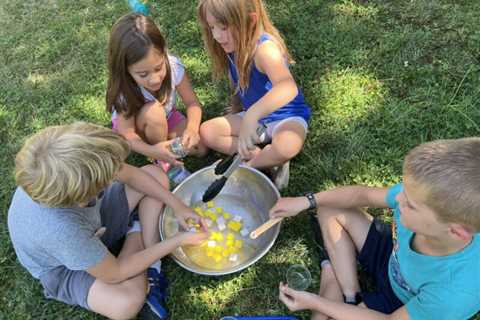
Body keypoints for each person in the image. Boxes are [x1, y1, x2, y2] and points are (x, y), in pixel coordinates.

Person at [8, 122, 208, 320]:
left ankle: (143, 252)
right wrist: (178, 240)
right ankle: (136, 233)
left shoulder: (79, 161)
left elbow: (131, 175)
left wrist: (178, 206)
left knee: (155, 176)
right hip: (63, 267)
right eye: (106, 181)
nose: (114, 177)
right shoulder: (61, 229)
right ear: (83, 195)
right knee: (125, 304)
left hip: (91, 225)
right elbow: (115, 273)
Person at [270, 138, 480, 319]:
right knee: (329, 207)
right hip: (392, 255)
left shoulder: (456, 291)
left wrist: (316, 303)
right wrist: (306, 201)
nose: (398, 199)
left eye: (410, 204)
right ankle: (351, 296)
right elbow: (362, 196)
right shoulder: (422, 197)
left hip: (403, 303)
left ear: (456, 231)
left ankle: (333, 278)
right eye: (404, 192)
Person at [197, 0, 311, 189]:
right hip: (256, 120)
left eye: (223, 27)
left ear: (250, 21)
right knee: (208, 132)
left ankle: (249, 167)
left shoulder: (265, 49)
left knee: (287, 145)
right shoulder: (232, 45)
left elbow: (288, 88)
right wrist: (242, 112)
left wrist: (251, 115)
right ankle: (264, 158)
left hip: (287, 117)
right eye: (212, 27)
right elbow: (242, 84)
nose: (216, 35)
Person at [106, 13, 207, 174]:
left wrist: (192, 129)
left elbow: (192, 103)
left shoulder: (173, 67)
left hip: (166, 118)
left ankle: (164, 142)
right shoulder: (123, 91)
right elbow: (127, 134)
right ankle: (161, 159)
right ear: (126, 69)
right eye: (143, 74)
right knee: (154, 112)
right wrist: (153, 151)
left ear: (163, 52)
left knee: (200, 148)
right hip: (137, 129)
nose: (154, 80)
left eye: (158, 68)